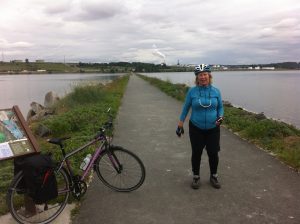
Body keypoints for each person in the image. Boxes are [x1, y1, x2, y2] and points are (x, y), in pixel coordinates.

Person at [176, 64, 224, 189]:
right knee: (196, 153)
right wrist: (180, 124)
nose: (203, 77)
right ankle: (196, 177)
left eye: (205, 74)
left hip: (213, 128)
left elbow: (220, 107)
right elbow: (186, 107)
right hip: (196, 128)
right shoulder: (192, 91)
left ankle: (214, 176)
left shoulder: (216, 91)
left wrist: (220, 117)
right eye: (200, 75)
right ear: (197, 78)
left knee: (213, 153)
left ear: (209, 76)